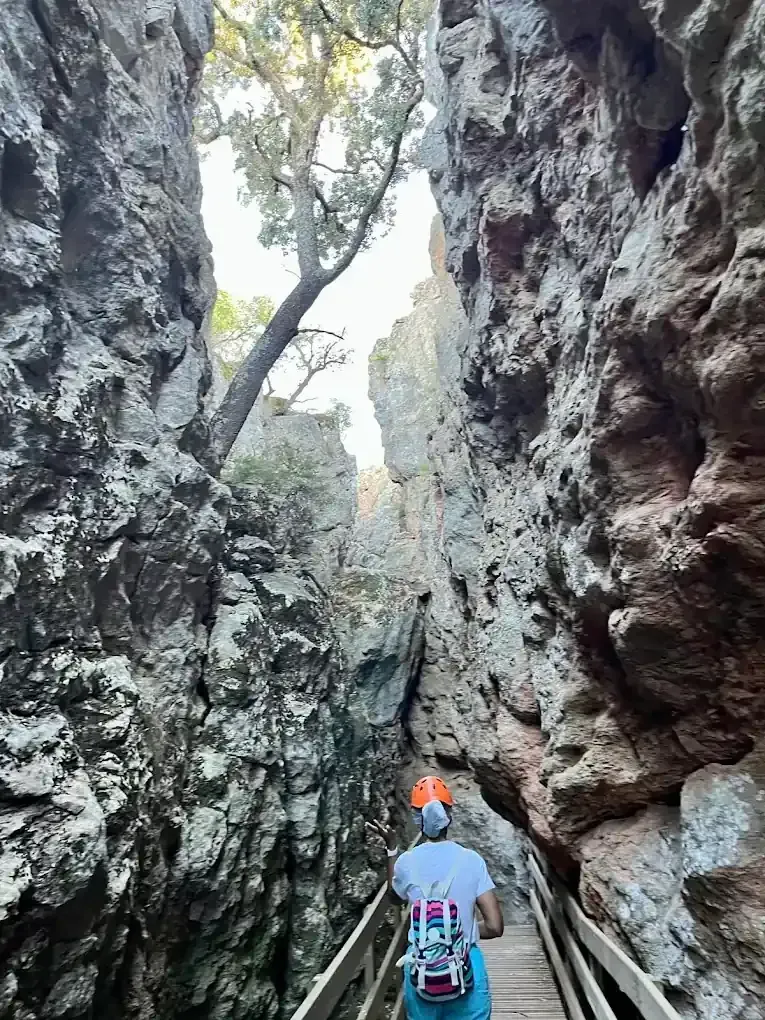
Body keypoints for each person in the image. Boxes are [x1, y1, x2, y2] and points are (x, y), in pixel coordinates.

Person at [366, 776, 503, 1020]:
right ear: (448, 814)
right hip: (466, 964)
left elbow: (395, 898)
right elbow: (495, 926)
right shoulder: (471, 860)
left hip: (421, 966)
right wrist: (463, 931)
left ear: (417, 818)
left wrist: (392, 849)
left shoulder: (406, 863)